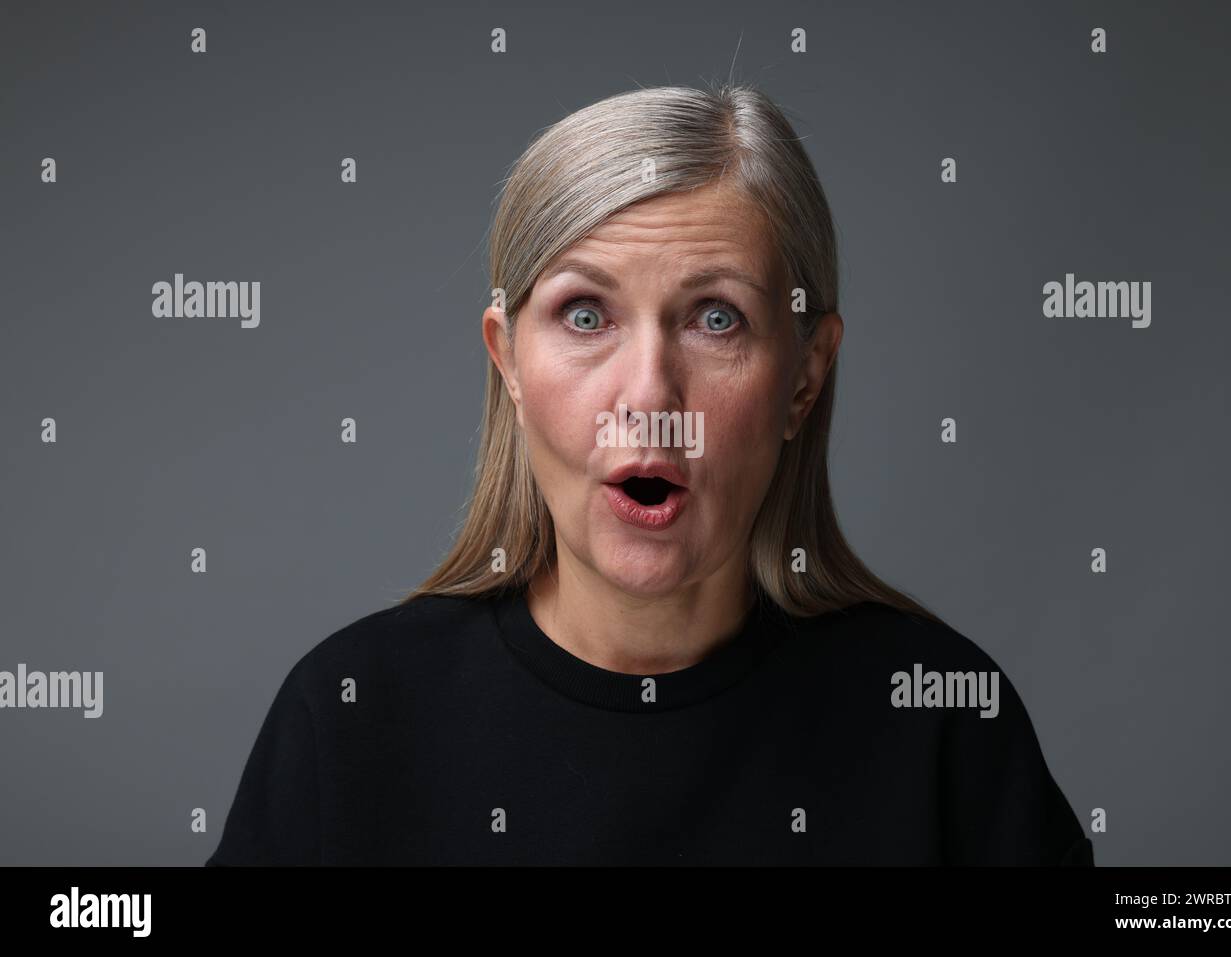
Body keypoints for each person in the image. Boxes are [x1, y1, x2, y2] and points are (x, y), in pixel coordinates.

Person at [206, 83, 1093, 866]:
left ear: (805, 376)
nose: (647, 395)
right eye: (585, 314)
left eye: (715, 317)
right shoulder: (350, 717)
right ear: (508, 362)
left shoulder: (942, 724)